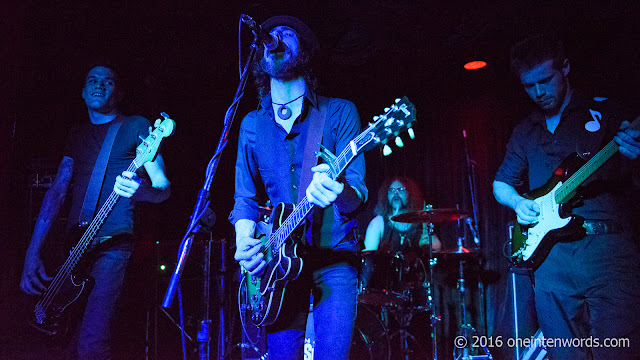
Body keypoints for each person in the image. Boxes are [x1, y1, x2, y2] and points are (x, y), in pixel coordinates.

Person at [493, 34, 640, 359]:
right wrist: (519, 203)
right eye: (529, 86)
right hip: (551, 258)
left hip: (606, 251)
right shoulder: (525, 130)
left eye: (545, 80)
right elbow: (501, 184)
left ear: (566, 68)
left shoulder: (608, 113)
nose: (539, 92)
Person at [230, 15, 367, 360]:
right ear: (259, 55)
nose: (275, 38)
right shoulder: (251, 123)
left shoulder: (338, 113)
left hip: (333, 258)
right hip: (278, 265)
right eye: (270, 35)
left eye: (287, 34)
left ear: (303, 51)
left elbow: (356, 198)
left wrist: (338, 190)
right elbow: (245, 198)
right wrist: (245, 242)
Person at [20, 63, 171, 360]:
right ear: (82, 91)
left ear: (119, 92)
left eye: (108, 81)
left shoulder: (136, 126)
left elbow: (163, 188)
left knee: (92, 341)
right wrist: (32, 252)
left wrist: (142, 191)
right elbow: (57, 191)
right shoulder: (76, 134)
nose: (99, 85)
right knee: (63, 338)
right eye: (92, 79)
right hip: (74, 246)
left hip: (112, 245)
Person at [363, 176, 442, 253]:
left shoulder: (421, 221)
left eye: (400, 189)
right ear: (387, 195)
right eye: (391, 190)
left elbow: (437, 248)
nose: (395, 193)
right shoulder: (378, 222)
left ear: (409, 194)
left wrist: (430, 245)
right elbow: (368, 256)